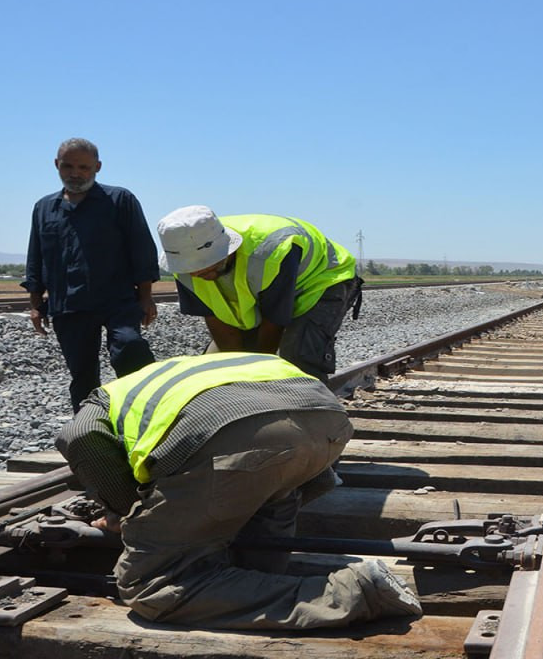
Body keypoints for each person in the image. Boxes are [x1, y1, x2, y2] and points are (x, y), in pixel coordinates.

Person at [55, 352, 422, 628]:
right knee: (255, 543)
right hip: (327, 422)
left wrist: (126, 513)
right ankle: (260, 575)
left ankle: (357, 591)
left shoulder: (100, 403)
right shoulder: (171, 375)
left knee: (153, 585)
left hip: (242, 443)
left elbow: (79, 435)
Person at [23, 138, 158, 412]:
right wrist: (36, 304)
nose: (75, 173)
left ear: (97, 167)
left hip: (117, 299)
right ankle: (90, 429)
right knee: (82, 375)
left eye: (84, 167)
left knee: (130, 349)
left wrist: (146, 297)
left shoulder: (120, 200)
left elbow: (142, 249)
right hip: (68, 304)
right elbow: (35, 256)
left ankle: (145, 416)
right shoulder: (44, 208)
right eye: (68, 166)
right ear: (56, 165)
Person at [156, 205, 361, 382]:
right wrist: (234, 371)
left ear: (226, 250)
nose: (195, 273)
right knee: (217, 366)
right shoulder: (182, 261)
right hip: (266, 291)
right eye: (190, 268)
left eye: (204, 265)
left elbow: (273, 323)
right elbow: (215, 319)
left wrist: (257, 377)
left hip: (322, 279)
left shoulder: (272, 252)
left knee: (297, 356)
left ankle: (310, 410)